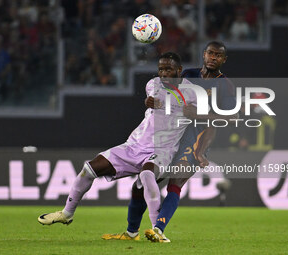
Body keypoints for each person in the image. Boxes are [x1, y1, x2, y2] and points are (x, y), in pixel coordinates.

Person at [37, 52, 214, 234]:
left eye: (168, 69)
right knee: (89, 169)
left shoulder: (193, 93)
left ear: (179, 70)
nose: (163, 73)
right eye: (160, 69)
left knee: (146, 176)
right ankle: (67, 213)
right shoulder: (152, 84)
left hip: (163, 150)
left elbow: (212, 120)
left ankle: (156, 230)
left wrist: (198, 124)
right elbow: (151, 100)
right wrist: (148, 101)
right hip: (134, 145)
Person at [102, 41, 237, 243]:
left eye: (218, 55)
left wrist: (200, 115)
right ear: (204, 54)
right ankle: (131, 233)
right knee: (140, 185)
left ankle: (158, 229)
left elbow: (232, 118)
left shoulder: (225, 85)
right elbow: (164, 94)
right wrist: (148, 101)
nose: (213, 58)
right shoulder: (188, 75)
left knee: (175, 182)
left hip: (196, 139)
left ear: (224, 60)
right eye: (210, 53)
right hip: (170, 137)